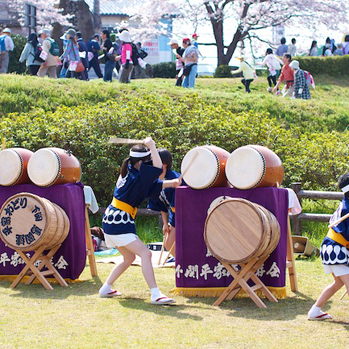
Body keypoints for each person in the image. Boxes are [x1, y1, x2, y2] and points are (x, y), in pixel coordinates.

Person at [99, 137, 181, 304]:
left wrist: (172, 183)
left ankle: (106, 288)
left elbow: (150, 187)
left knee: (129, 258)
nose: (151, 164)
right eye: (148, 161)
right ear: (142, 163)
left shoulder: (130, 172)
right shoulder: (137, 176)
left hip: (112, 219)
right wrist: (152, 145)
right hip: (119, 222)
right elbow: (157, 169)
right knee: (146, 253)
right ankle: (155, 294)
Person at [308, 173, 349, 320]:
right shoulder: (346, 209)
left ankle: (315, 311)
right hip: (336, 249)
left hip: (332, 248)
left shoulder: (346, 203)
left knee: (338, 283)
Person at [148, 149, 182, 257]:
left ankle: (183, 264)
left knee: (171, 243)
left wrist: (173, 224)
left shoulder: (175, 179)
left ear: (164, 164)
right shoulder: (154, 181)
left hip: (185, 213)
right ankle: (181, 263)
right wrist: (165, 223)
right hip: (174, 213)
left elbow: (178, 205)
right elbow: (161, 205)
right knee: (168, 244)